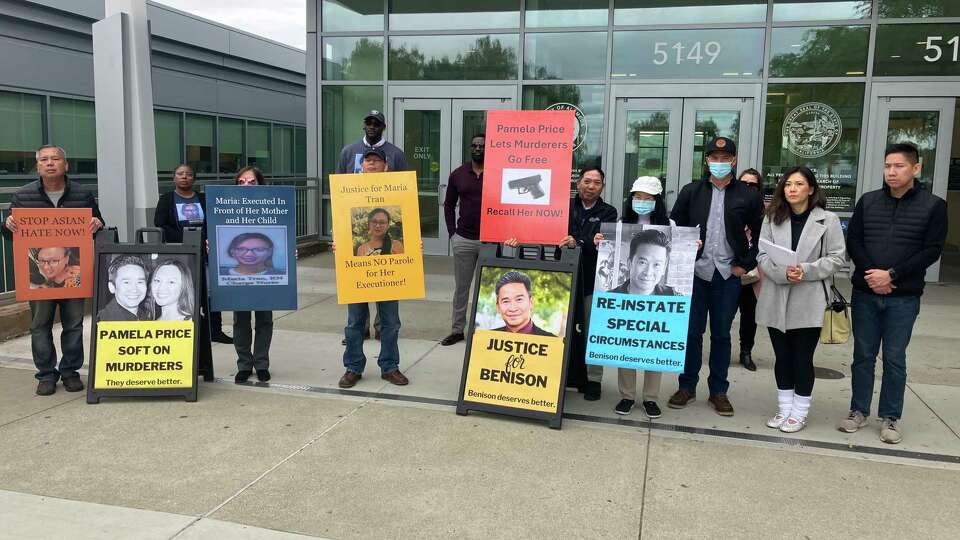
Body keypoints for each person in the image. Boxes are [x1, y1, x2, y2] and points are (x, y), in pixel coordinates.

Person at [839, 142, 948, 444]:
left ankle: (890, 416)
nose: (891, 172)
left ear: (916, 168)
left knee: (895, 357)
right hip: (866, 292)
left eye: (898, 166)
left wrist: (893, 275)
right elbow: (855, 241)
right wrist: (873, 274)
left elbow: (931, 250)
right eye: (887, 166)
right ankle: (857, 410)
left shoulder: (934, 205)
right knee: (863, 354)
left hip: (904, 296)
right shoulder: (869, 201)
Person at [668, 137, 764, 416]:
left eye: (725, 158)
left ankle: (718, 391)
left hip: (727, 275)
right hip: (696, 274)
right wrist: (686, 252)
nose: (719, 162)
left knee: (721, 334)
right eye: (714, 157)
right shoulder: (691, 191)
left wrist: (744, 264)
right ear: (707, 160)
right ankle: (686, 386)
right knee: (691, 333)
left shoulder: (748, 195)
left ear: (734, 160)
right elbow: (675, 230)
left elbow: (761, 235)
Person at [2, 145, 104, 395]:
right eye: (44, 159)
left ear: (65, 165)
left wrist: (98, 223)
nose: (50, 163)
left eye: (55, 159)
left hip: (73, 275)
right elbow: (9, 234)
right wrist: (7, 224)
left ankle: (70, 372)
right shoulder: (23, 196)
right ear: (38, 166)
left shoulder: (82, 194)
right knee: (40, 325)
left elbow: (98, 227)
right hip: (39, 277)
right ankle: (46, 375)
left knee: (74, 324)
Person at [756, 166, 845, 433]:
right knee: (781, 357)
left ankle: (800, 411)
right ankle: (784, 409)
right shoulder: (773, 217)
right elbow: (761, 255)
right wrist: (782, 271)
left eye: (798, 184)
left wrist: (805, 270)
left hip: (809, 298)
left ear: (811, 189)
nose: (792, 189)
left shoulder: (827, 220)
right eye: (787, 184)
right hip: (776, 293)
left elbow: (837, 257)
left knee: (802, 357)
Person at [594, 176, 672, 418]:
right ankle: (627, 396)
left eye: (649, 198)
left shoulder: (671, 224)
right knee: (625, 343)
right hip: (627, 301)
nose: (642, 202)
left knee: (654, 346)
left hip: (656, 306)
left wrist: (695, 244)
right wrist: (600, 241)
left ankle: (651, 398)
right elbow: (607, 248)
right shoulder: (620, 223)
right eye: (638, 197)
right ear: (631, 262)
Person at [337, 148, 409, 389]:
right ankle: (353, 367)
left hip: (389, 275)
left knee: (390, 322)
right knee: (355, 322)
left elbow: (410, 222)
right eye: (368, 160)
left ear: (385, 165)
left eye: (377, 160)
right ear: (361, 165)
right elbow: (340, 222)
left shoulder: (398, 190)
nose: (372, 164)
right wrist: (338, 241)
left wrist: (414, 242)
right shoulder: (348, 191)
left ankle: (389, 367)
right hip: (357, 272)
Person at [336, 111, 408, 341]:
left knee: (384, 281)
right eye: (368, 122)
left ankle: (381, 329)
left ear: (383, 126)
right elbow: (339, 191)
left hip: (384, 221)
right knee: (357, 283)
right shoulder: (349, 151)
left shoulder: (396, 154)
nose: (372, 126)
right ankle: (359, 328)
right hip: (356, 224)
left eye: (376, 123)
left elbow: (405, 192)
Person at [558, 166, 618, 400]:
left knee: (594, 331)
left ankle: (594, 379)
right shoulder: (562, 208)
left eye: (596, 183)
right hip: (562, 277)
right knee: (560, 329)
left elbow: (602, 241)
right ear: (578, 183)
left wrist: (578, 240)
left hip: (593, 279)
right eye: (586, 181)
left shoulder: (609, 212)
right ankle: (559, 373)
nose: (590, 186)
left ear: (602, 186)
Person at [154, 164, 232, 343]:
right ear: (174, 178)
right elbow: (160, 224)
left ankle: (215, 331)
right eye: (180, 174)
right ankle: (192, 330)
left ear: (194, 178)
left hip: (205, 252)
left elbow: (215, 220)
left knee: (211, 292)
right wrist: (187, 237)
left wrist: (205, 238)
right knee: (187, 291)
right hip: (180, 253)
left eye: (188, 174)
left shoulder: (203, 198)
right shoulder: (167, 199)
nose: (184, 177)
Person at [230, 166, 276, 384]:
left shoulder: (272, 206)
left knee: (264, 319)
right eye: (241, 182)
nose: (246, 186)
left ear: (260, 184)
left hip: (264, 273)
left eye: (251, 182)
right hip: (238, 274)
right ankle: (244, 364)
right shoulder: (225, 207)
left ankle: (262, 363)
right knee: (241, 319)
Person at [440, 134, 485, 346]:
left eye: (482, 145)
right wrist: (452, 234)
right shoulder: (458, 174)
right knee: (462, 289)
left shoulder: (499, 173)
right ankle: (457, 329)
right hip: (464, 239)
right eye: (474, 145)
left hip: (490, 241)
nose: (477, 148)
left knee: (487, 288)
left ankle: (483, 330)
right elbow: (448, 205)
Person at [736, 169, 764, 371]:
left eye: (752, 185)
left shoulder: (767, 213)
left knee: (749, 315)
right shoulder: (730, 206)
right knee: (724, 314)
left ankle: (746, 351)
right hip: (730, 270)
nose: (747, 188)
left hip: (754, 273)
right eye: (743, 183)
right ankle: (722, 351)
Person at [609, 230, 678, 296]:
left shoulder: (675, 298)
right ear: (629, 263)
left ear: (664, 268)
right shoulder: (609, 299)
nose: (648, 272)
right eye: (642, 262)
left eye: (656, 264)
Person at [491, 271, 554, 337]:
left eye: (519, 299)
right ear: (498, 307)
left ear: (531, 303)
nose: (513, 308)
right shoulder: (487, 340)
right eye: (506, 301)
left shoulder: (551, 342)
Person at [97, 255, 152, 321]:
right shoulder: (101, 322)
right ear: (112, 287)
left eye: (140, 282)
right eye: (127, 282)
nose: (134, 289)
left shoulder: (147, 321)